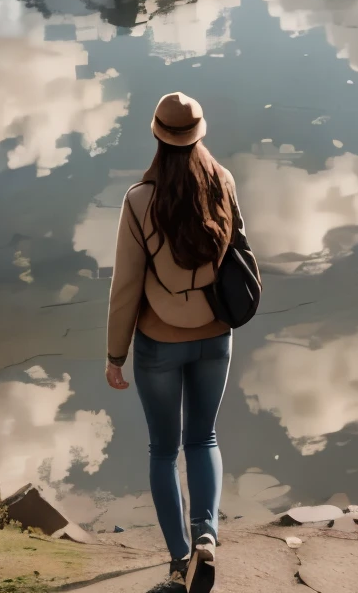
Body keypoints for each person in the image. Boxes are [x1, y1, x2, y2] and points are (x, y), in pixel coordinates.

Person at [105, 91, 249, 590]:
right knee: (204, 437)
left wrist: (114, 355)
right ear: (199, 134)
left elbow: (126, 286)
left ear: (156, 135)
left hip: (158, 344)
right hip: (215, 336)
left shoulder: (138, 200)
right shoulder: (223, 183)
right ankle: (206, 537)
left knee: (164, 450)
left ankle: (178, 560)